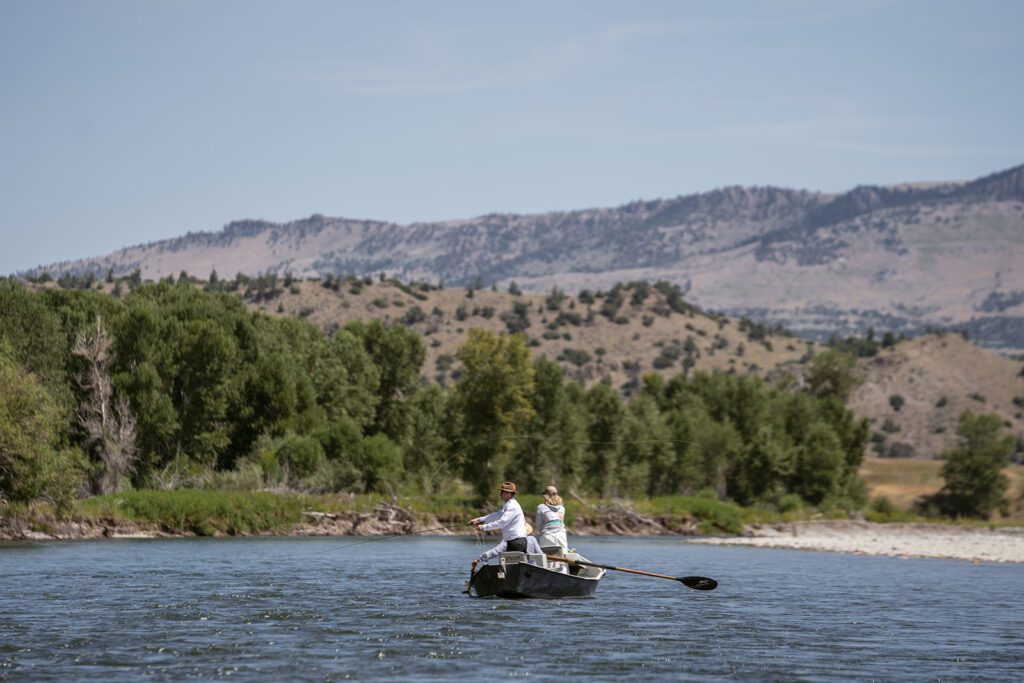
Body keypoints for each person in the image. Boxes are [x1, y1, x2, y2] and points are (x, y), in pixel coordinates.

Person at [469, 480, 528, 553]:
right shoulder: (508, 504)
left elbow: (502, 523)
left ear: (508, 494)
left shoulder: (512, 506)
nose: (500, 494)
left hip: (517, 542)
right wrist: (479, 520)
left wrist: (483, 527)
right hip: (514, 541)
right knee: (511, 564)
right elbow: (498, 514)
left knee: (514, 564)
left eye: (502, 492)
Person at [471, 522, 544, 571]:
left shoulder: (507, 541)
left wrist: (478, 560)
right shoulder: (532, 539)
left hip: (512, 571)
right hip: (530, 571)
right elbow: (540, 555)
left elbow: (494, 552)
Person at [535, 485, 568, 556]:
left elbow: (537, 525)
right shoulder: (562, 508)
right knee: (563, 559)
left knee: (548, 560)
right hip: (561, 537)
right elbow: (561, 523)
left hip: (547, 537)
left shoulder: (541, 507)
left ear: (545, 495)